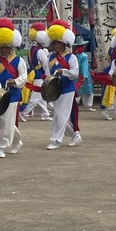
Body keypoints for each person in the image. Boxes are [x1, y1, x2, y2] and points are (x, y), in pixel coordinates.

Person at [0, 18, 27, 158]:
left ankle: (2, 146)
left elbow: (24, 76)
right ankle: (17, 141)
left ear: (11, 46)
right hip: (0, 95)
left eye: (6, 47)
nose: (4, 50)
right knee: (5, 121)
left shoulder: (19, 60)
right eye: (1, 47)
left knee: (6, 121)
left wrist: (14, 82)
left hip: (13, 95)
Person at [45, 19, 81, 150]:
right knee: (59, 115)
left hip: (68, 89)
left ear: (64, 44)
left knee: (61, 115)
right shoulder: (50, 57)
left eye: (59, 44)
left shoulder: (71, 57)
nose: (56, 46)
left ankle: (55, 140)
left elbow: (75, 74)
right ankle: (75, 135)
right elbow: (47, 74)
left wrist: (64, 72)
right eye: (54, 44)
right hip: (55, 90)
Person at [19, 22, 51, 121]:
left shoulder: (31, 50)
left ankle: (45, 114)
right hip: (40, 76)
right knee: (36, 97)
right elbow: (46, 64)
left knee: (41, 96)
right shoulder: (40, 51)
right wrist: (48, 75)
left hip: (34, 74)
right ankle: (23, 113)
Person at [74, 36, 94, 111]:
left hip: (77, 74)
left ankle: (76, 102)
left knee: (78, 89)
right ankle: (88, 105)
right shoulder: (84, 56)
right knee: (88, 90)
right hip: (84, 75)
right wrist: (85, 75)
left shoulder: (76, 55)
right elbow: (84, 66)